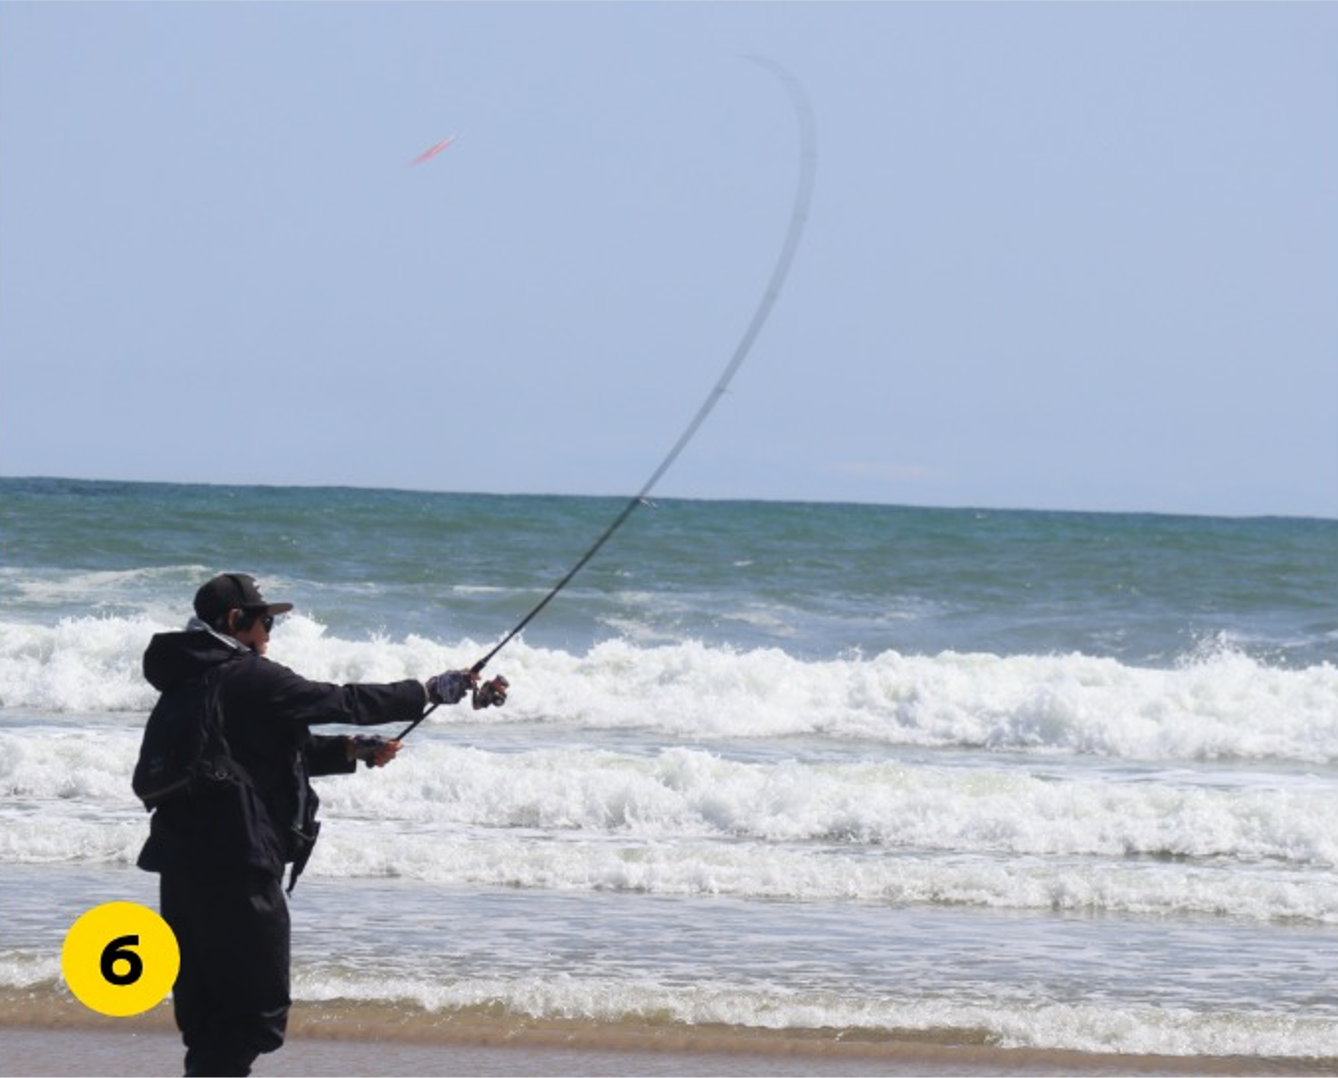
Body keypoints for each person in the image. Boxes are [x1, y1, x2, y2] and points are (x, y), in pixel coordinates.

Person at [136, 572, 477, 1077]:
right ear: (236, 621)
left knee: (205, 1012)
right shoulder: (251, 677)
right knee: (257, 1014)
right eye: (265, 619)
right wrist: (427, 690)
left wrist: (351, 751)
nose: (271, 630)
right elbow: (341, 700)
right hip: (238, 866)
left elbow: (248, 754)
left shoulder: (188, 681)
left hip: (182, 867)